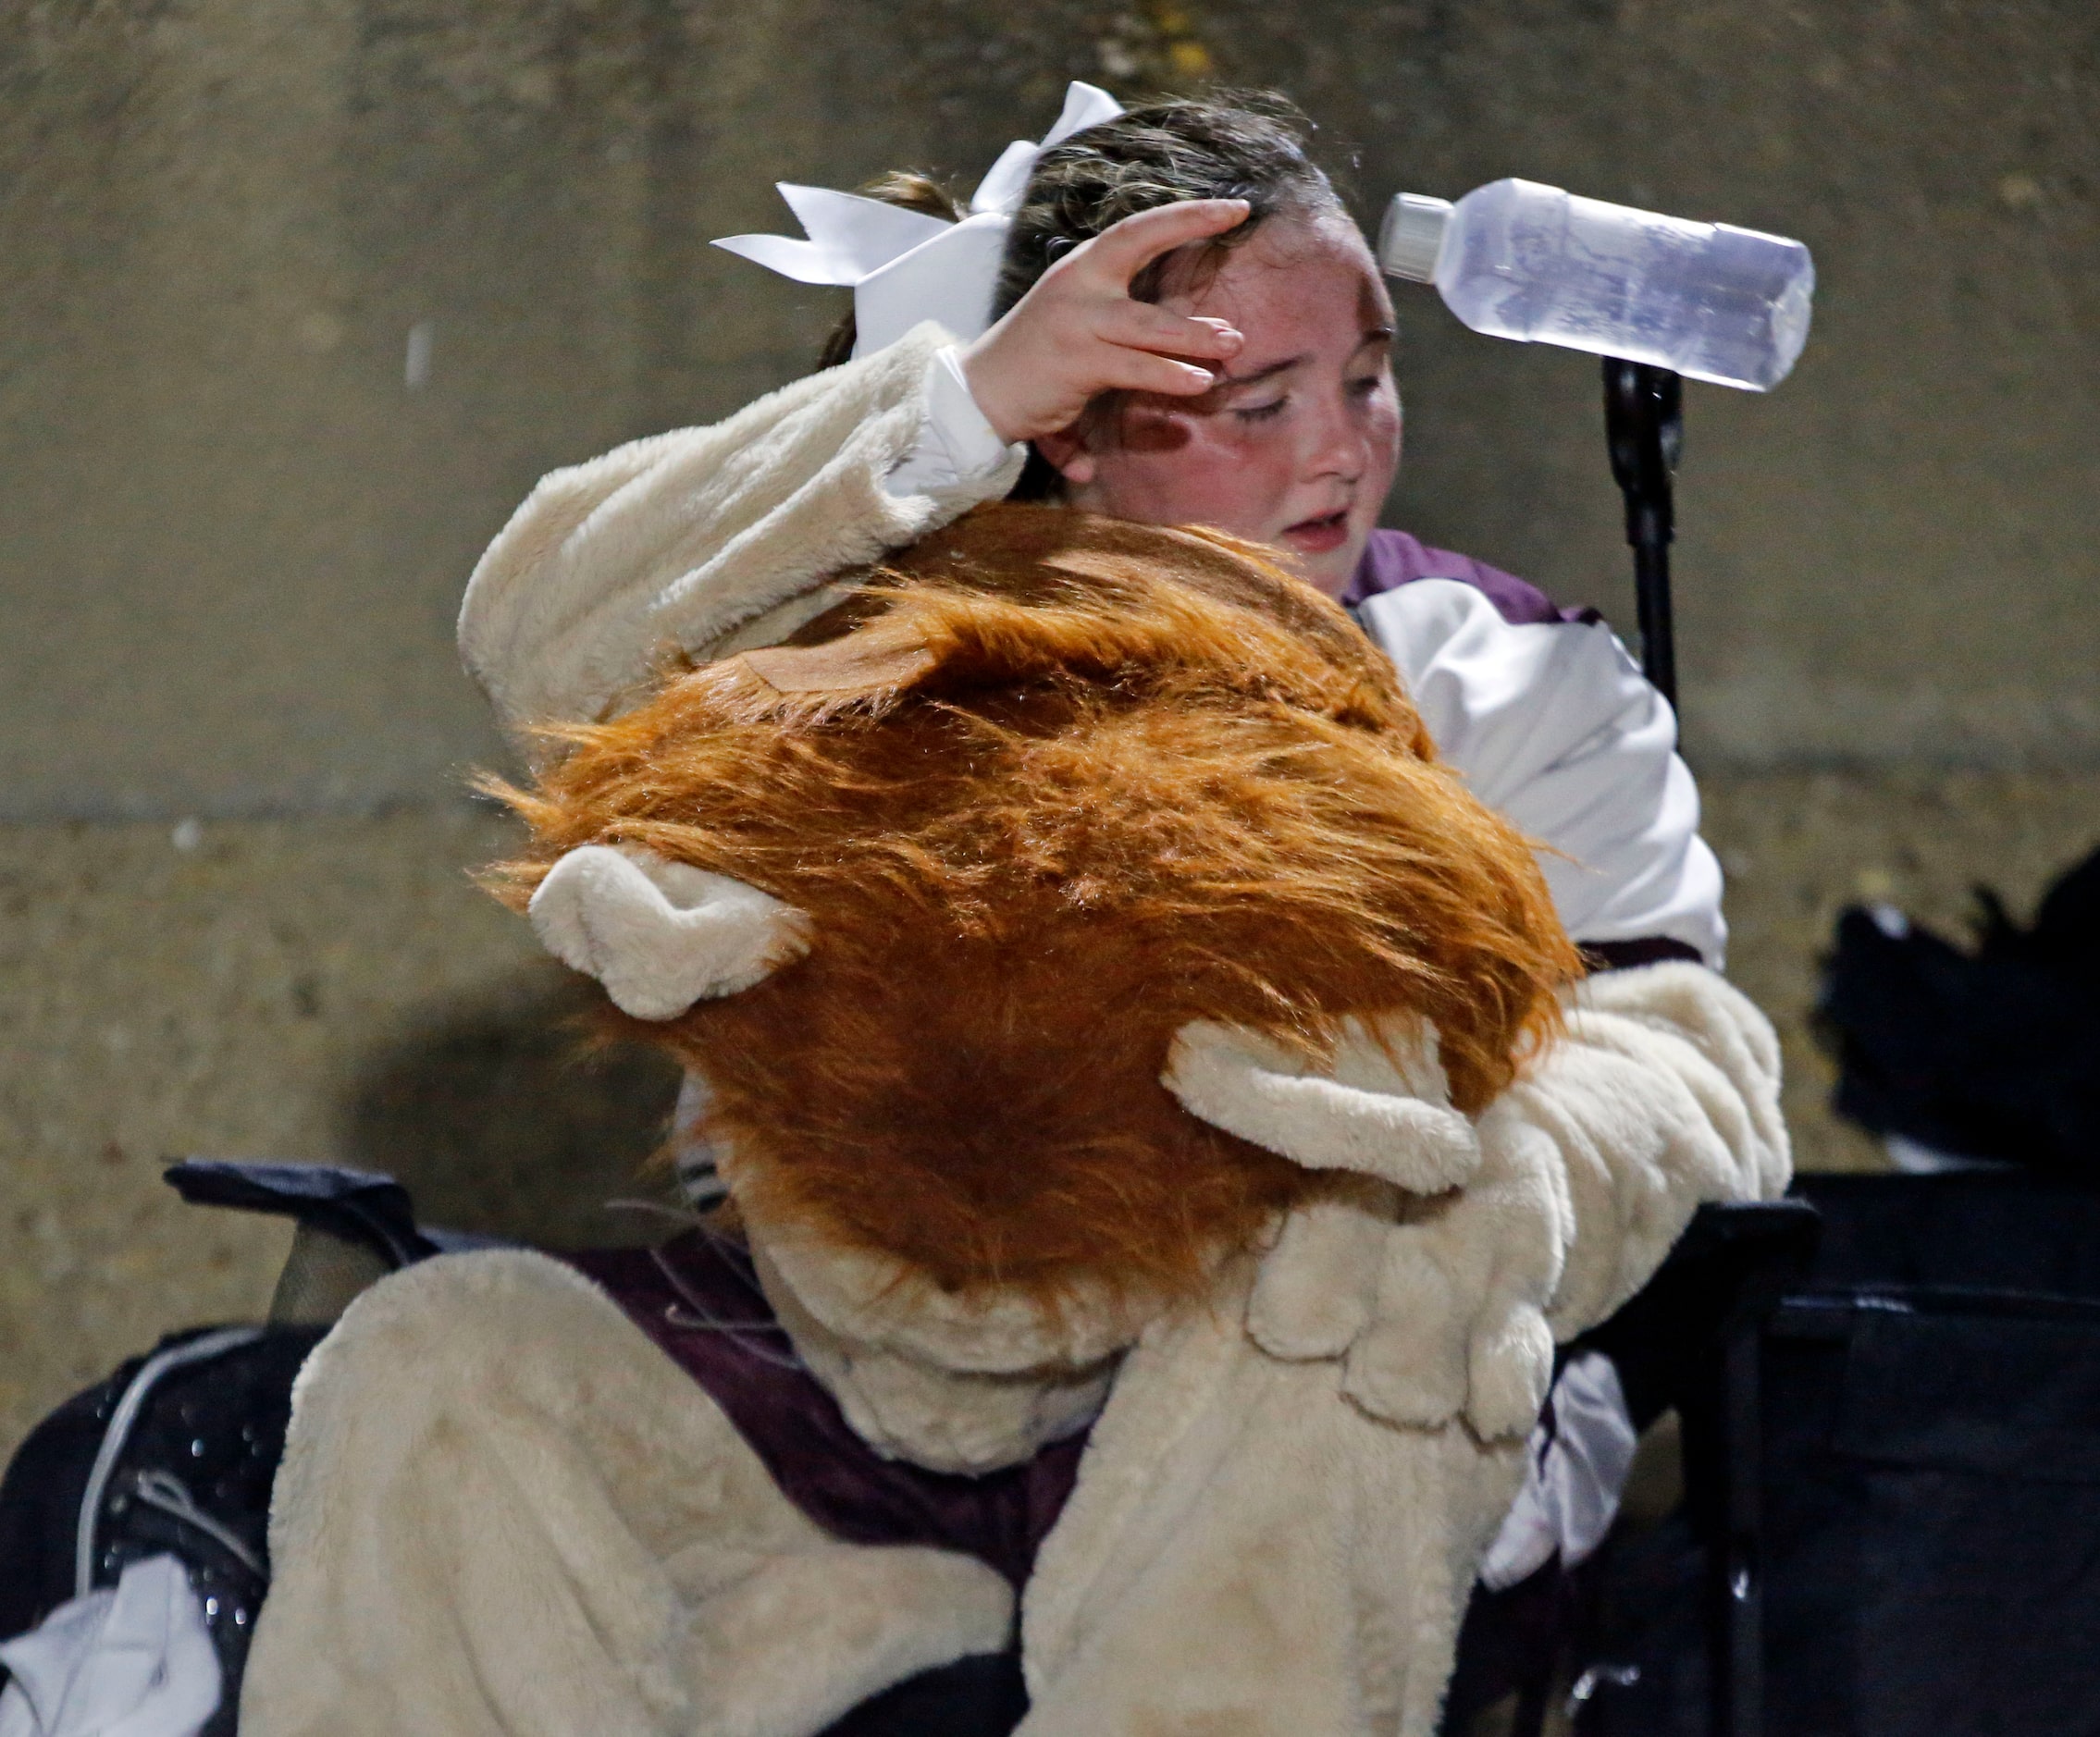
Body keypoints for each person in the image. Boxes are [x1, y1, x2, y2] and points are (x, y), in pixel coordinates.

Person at [459, 85, 1723, 972]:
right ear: (1070, 426)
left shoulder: (1521, 677)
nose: (1340, 448)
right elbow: (541, 641)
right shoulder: (887, 640)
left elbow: (1659, 1074)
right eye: (1258, 401)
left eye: (1365, 377)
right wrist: (958, 402)